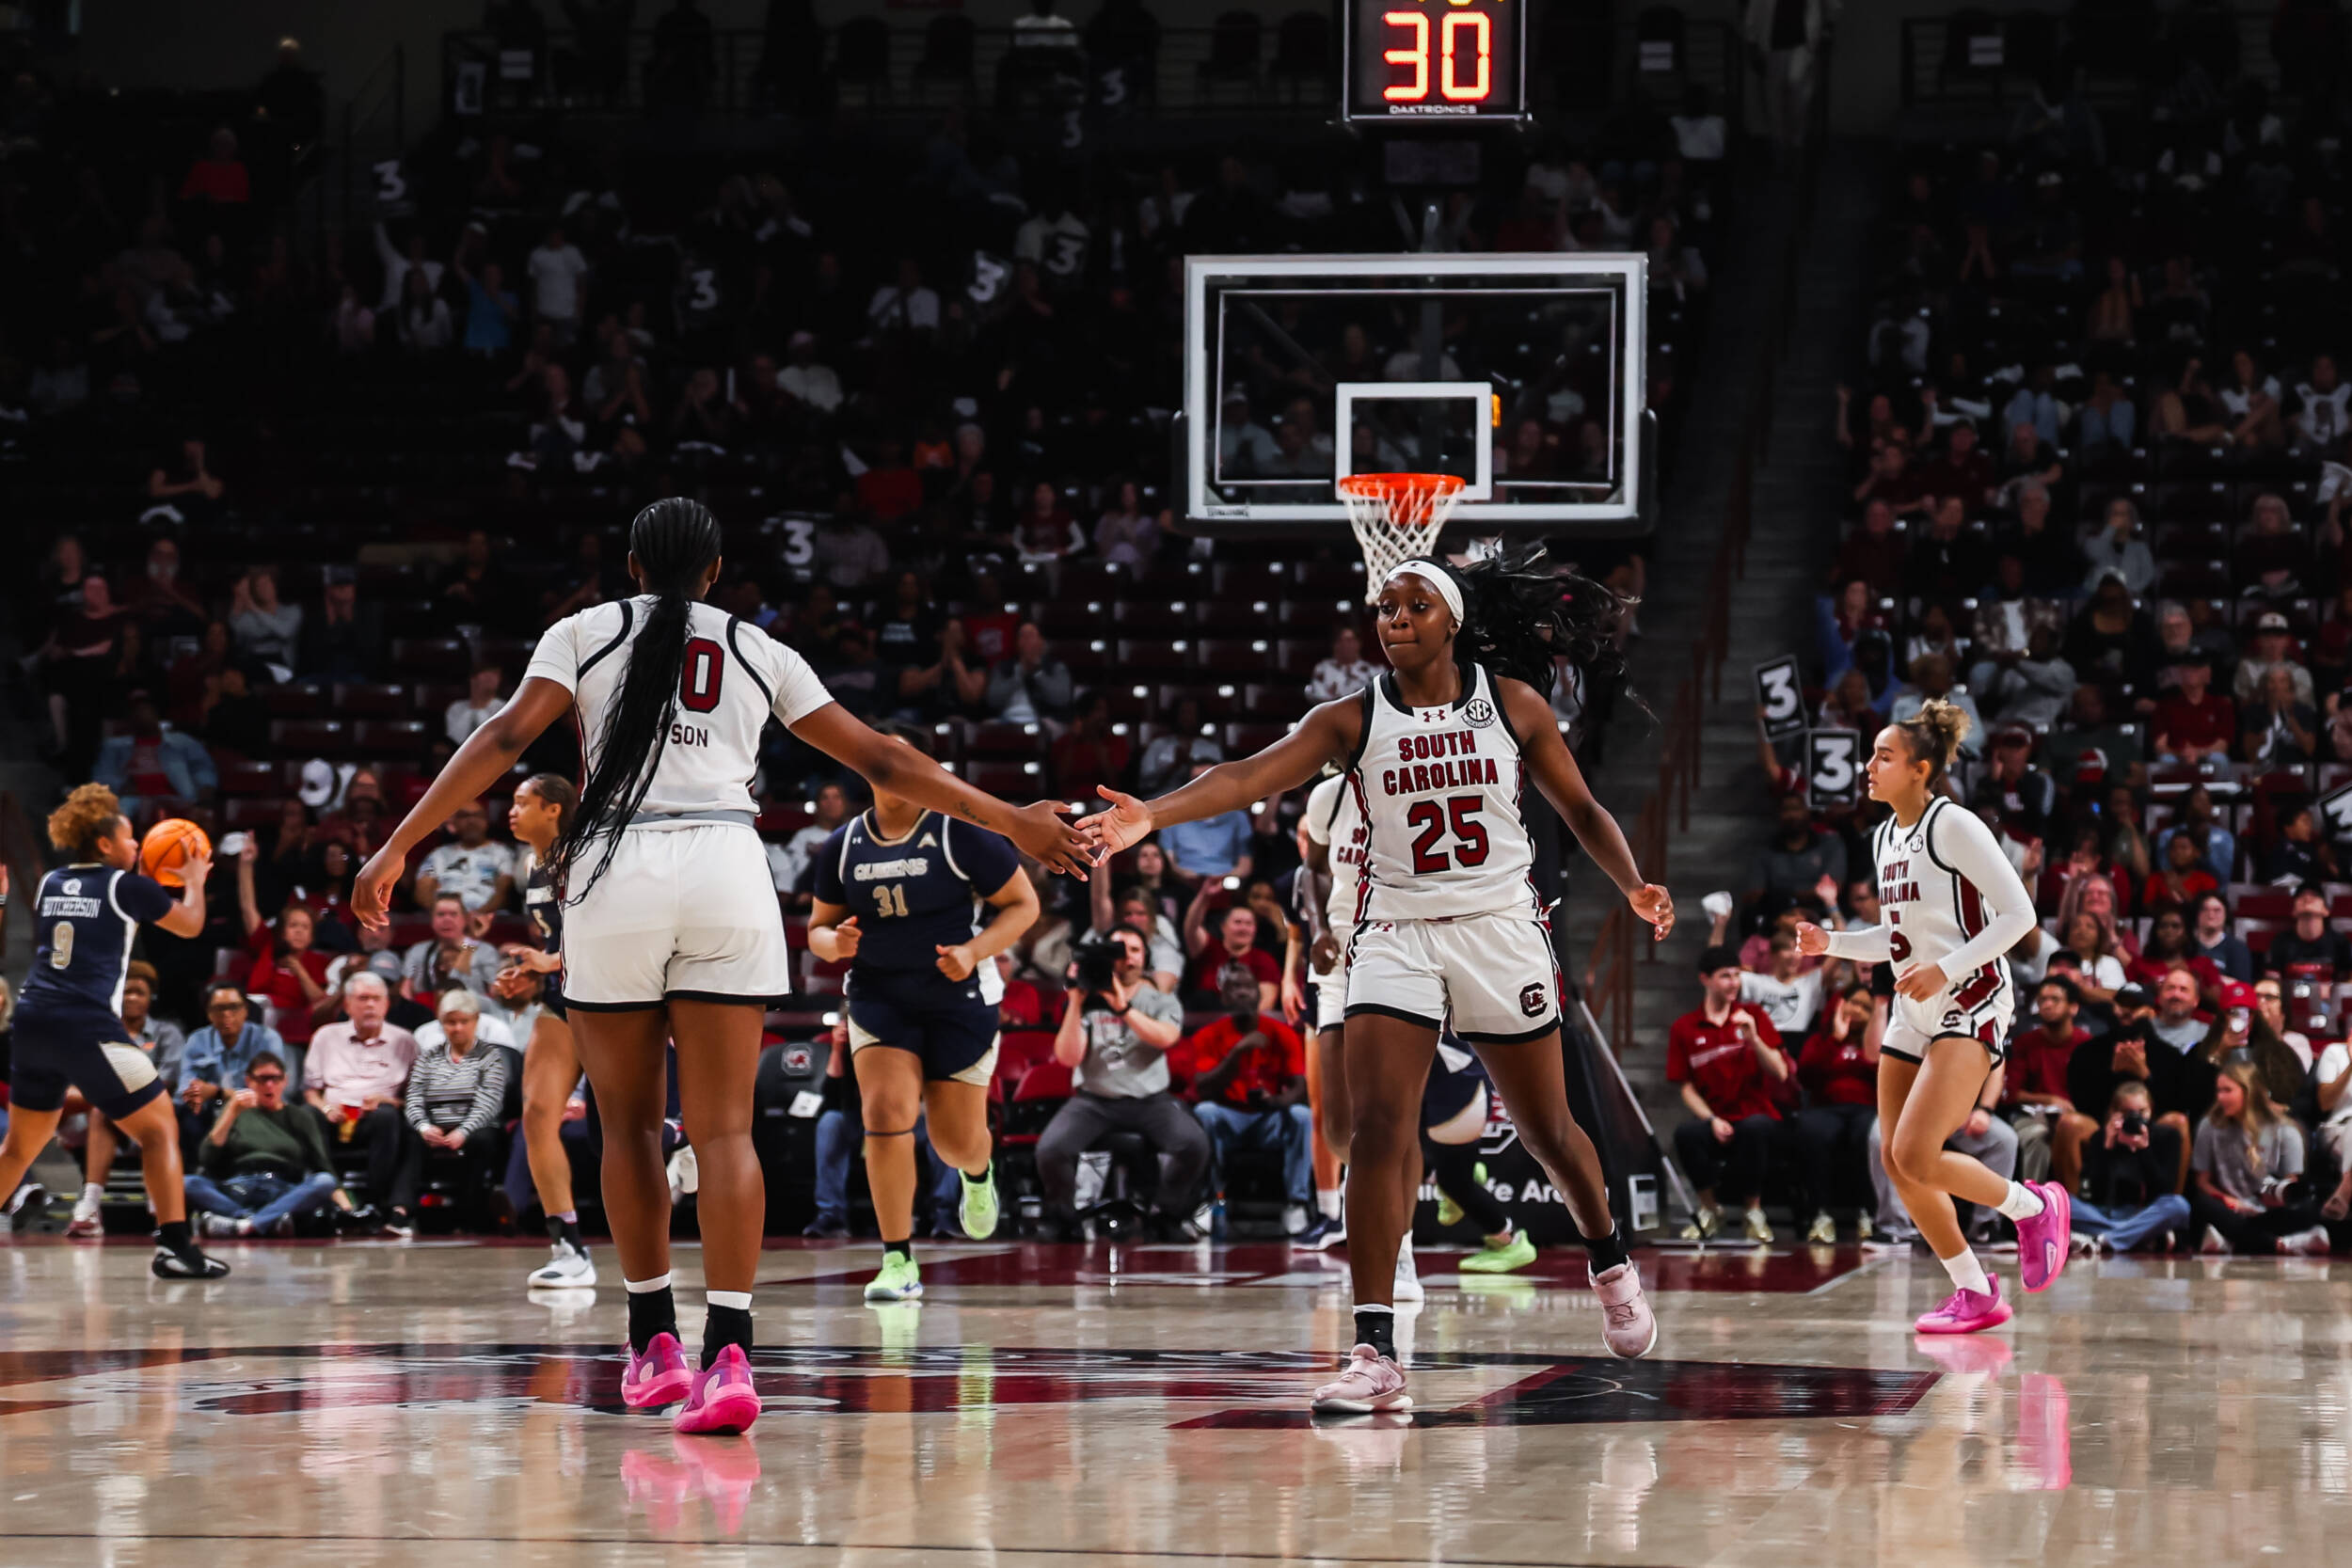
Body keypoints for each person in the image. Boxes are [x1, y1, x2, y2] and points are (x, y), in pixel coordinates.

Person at [352, 498, 1089, 1438]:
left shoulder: (581, 630)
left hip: (619, 869)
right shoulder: (752, 645)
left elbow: (502, 740)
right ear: (714, 572)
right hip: (728, 870)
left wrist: (398, 846)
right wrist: (1013, 818)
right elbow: (882, 755)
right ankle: (731, 1351)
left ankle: (655, 1340)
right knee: (727, 1130)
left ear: (628, 565)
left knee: (624, 1126)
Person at [1084, 548, 1672, 1413]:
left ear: (1452, 620)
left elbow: (1581, 808)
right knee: (1377, 1130)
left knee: (1551, 1132)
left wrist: (1633, 883)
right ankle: (1376, 1350)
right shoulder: (1351, 718)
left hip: (1499, 928)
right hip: (1393, 930)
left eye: (1410, 606)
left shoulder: (1513, 704)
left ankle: (1609, 1258)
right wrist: (1151, 813)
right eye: (1384, 607)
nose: (1391, 618)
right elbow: (1248, 774)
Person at [1798, 700, 2073, 1338]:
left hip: (1971, 1000)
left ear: (1921, 769)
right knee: (1898, 1161)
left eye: (1883, 756)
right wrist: (1830, 943)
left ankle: (2033, 1205)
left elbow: (2020, 916)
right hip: (1913, 1007)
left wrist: (1947, 969)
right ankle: (1975, 1291)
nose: (1868, 765)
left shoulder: (1954, 825)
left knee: (1917, 1151)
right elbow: (1894, 941)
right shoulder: (1883, 835)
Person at [805, 766, 1040, 1303]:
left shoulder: (962, 830)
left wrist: (973, 952)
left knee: (953, 1142)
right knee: (884, 1114)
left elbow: (1025, 904)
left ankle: (977, 1174)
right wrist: (831, 944)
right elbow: (819, 928)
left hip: (958, 997)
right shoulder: (845, 844)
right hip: (879, 995)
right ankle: (896, 1259)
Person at [0, 785, 228, 1277]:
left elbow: (108, 909)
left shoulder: (51, 882)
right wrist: (192, 880)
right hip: (85, 1025)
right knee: (159, 1128)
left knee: (19, 1148)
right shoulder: (131, 888)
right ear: (104, 844)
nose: (138, 844)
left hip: (32, 1020)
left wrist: (144, 878)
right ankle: (175, 1247)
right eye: (130, 836)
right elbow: (189, 925)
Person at [493, 774, 599, 1289]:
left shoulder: (585, 854)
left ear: (554, 809)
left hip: (610, 996)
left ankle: (679, 1139)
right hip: (562, 998)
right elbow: (557, 941)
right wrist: (532, 973)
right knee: (537, 1115)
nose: (511, 811)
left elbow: (605, 932)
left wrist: (549, 959)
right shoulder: (531, 863)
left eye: (522, 802)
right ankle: (568, 1246)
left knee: (619, 1130)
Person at [1038, 926, 1209, 1236]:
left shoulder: (1160, 999)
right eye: (1119, 949)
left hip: (1150, 1100)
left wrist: (1123, 1008)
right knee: (1051, 1149)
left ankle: (1165, 1214)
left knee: (1193, 1144)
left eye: (1135, 950)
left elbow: (1167, 1038)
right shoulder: (1087, 998)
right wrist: (1075, 1001)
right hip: (1093, 1101)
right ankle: (1062, 1219)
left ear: (1146, 958)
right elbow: (1067, 1057)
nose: (1127, 957)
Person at [1669, 946, 1791, 1243]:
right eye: (1725, 976)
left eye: (1737, 975)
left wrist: (1753, 1039)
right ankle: (1711, 1210)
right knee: (1686, 1134)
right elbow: (1685, 1087)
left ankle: (1753, 1212)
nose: (1733, 982)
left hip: (1756, 1115)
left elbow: (1781, 1072)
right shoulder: (1684, 1027)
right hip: (1716, 1118)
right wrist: (1711, 1119)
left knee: (1754, 1129)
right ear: (1705, 979)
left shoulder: (1755, 1016)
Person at [1185, 965, 1314, 1237]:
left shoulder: (1281, 1033)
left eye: (1247, 987)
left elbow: (1300, 1088)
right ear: (1224, 998)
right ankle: (1212, 1200)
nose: (1242, 993)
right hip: (1229, 1115)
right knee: (1205, 1113)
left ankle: (1296, 1203)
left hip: (1269, 1116)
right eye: (1234, 988)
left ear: (1258, 994)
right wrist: (1237, 1053)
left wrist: (1276, 1101)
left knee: (1302, 1117)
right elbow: (1203, 1088)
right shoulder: (1209, 1035)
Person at [187, 1051, 357, 1237]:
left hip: (282, 1190)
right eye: (262, 1079)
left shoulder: (300, 1116)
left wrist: (347, 1209)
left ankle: (241, 1224)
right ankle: (261, 1222)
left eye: (275, 1079)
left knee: (324, 1181)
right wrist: (230, 1112)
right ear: (249, 1081)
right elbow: (207, 1158)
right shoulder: (234, 1111)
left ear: (285, 1081)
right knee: (187, 1183)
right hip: (237, 1187)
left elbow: (323, 1166)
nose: (269, 1085)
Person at [2190, 1062, 2329, 1255]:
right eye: (2218, 1091)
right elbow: (2202, 1182)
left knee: (2308, 1208)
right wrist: (2232, 1201)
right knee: (2202, 1204)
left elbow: (2291, 1184)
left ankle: (2232, 1242)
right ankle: (2282, 1244)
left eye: (2227, 1091)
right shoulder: (2209, 1125)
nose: (2220, 1097)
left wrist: (2274, 1198)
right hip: (2230, 1207)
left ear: (2248, 1092)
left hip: (2267, 1211)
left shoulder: (2285, 1129)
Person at [1793, 983, 1882, 1243]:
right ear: (1841, 1004)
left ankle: (1868, 1211)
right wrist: (1836, 1039)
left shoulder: (1877, 1041)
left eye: (1866, 1008)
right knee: (1812, 1131)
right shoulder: (1820, 1040)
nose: (1857, 1010)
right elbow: (1806, 1076)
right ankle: (1820, 1214)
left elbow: (1882, 1077)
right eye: (1854, 1002)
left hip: (1865, 1109)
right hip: (1827, 1108)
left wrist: (1868, 1046)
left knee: (1866, 1136)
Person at [2070, 1082, 2192, 1255]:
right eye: (2128, 1113)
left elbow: (2165, 1190)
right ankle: (2134, 1237)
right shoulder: (2101, 1137)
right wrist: (2107, 1147)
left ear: (2151, 1110)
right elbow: (2091, 1192)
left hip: (2144, 1214)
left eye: (2142, 1112)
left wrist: (2144, 1151)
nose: (2136, 1118)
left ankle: (2104, 1239)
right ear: (2114, 1113)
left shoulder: (2166, 1136)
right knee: (2063, 1204)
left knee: (2179, 1206)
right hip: (2104, 1213)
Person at [414, 799, 517, 914]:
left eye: (478, 815)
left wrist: (476, 916)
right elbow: (422, 893)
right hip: (444, 917)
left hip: (488, 918)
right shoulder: (439, 855)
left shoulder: (502, 853)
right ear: (454, 822)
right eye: (464, 816)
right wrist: (445, 915)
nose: (472, 820)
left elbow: (503, 893)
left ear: (486, 821)